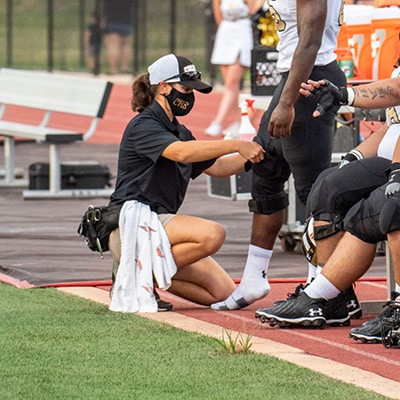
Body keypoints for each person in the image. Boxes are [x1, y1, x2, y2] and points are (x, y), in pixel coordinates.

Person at [210, 0, 347, 311]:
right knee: (265, 169)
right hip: (293, 76)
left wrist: (286, 103)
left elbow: (310, 41)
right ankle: (253, 278)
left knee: (313, 192)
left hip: (310, 79)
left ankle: (321, 288)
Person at [107, 53, 265, 312]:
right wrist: (236, 144)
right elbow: (180, 153)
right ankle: (134, 273)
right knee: (213, 234)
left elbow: (219, 167)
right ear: (163, 87)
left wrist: (260, 151)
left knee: (224, 294)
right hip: (133, 226)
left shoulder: (179, 131)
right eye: (185, 89)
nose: (190, 96)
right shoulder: (143, 126)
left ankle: (143, 276)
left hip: (161, 233)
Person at [255, 76, 400, 345]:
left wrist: (344, 95)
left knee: (390, 206)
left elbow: (397, 90)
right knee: (328, 186)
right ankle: (332, 297)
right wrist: (353, 157)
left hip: (396, 164)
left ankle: (395, 307)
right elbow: (394, 121)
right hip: (391, 159)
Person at [205, 0, 263, 139]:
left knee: (232, 82)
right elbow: (218, 16)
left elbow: (254, 10)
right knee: (230, 86)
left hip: (242, 32)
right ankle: (239, 122)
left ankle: (218, 122)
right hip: (225, 32)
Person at [102, 0, 134, 75]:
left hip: (112, 21)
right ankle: (125, 67)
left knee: (113, 45)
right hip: (127, 21)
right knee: (126, 45)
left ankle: (113, 69)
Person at [84, 10, 103, 75]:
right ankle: (92, 68)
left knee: (97, 56)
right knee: (91, 56)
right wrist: (86, 43)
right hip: (92, 44)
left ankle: (97, 68)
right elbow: (87, 35)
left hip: (98, 44)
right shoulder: (91, 26)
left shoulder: (100, 26)